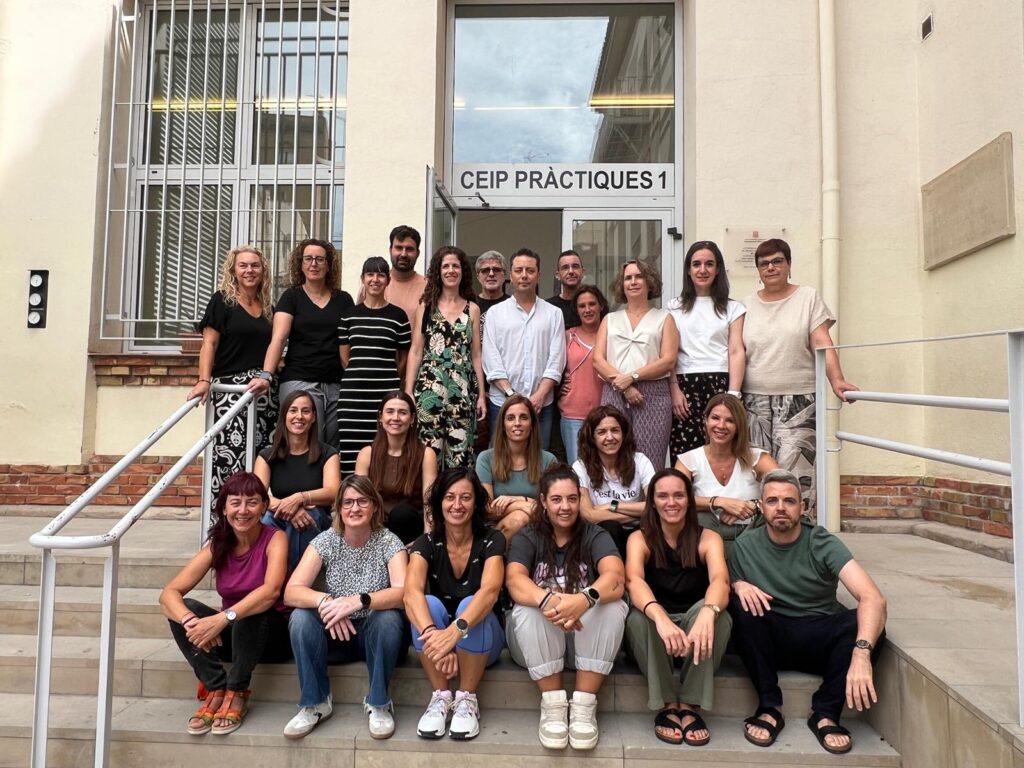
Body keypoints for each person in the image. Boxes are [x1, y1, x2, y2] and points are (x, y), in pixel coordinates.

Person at [728, 469, 886, 754]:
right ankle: (769, 707)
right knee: (739, 607)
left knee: (869, 625)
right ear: (761, 506)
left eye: (789, 501)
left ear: (802, 507)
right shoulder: (744, 546)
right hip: (771, 638)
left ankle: (826, 713)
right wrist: (738, 585)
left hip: (819, 636)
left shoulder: (822, 542)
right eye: (772, 501)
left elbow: (872, 597)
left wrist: (861, 654)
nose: (780, 508)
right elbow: (719, 583)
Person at [504, 464, 627, 751]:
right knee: (527, 608)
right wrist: (553, 602)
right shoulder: (529, 536)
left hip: (585, 640)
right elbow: (514, 580)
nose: (565, 507)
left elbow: (616, 578)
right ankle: (553, 706)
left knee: (611, 605)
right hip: (535, 643)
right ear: (543, 501)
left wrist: (583, 600)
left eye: (572, 499)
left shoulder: (594, 534)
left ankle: (584, 706)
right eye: (557, 499)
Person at [160, 472, 290, 736]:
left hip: (270, 636)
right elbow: (168, 594)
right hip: (232, 637)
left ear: (264, 507)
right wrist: (191, 622)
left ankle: (237, 690)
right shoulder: (218, 544)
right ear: (224, 508)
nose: (243, 510)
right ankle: (216, 687)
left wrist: (223, 618)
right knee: (184, 608)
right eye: (235, 503)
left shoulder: (274, 538)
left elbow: (271, 591)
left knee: (251, 609)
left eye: (252, 502)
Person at [283, 475, 409, 740]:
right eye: (348, 502)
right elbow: (291, 591)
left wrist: (359, 601)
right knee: (300, 617)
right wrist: (327, 603)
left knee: (388, 618)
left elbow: (403, 594)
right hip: (337, 633)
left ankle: (379, 703)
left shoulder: (389, 542)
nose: (355, 508)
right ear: (339, 508)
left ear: (374, 506)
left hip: (376, 635)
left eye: (362, 501)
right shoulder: (327, 541)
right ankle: (316, 703)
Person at [741, 238, 858, 509]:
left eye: (777, 261)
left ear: (789, 264)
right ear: (758, 270)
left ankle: (799, 530)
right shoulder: (745, 305)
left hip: (798, 402)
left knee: (794, 476)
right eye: (764, 264)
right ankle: (758, 531)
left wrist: (837, 380)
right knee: (756, 475)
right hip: (753, 403)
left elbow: (822, 343)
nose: (771, 268)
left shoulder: (807, 297)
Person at [624, 469, 732, 747]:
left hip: (694, 631)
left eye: (678, 495)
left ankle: (690, 704)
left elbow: (721, 581)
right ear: (652, 502)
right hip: (656, 636)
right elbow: (633, 581)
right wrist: (660, 617)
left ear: (689, 500)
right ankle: (667, 704)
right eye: (663, 496)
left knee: (719, 616)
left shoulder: (708, 538)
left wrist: (708, 612)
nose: (671, 503)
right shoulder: (640, 538)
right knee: (639, 617)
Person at [405, 468, 506, 741]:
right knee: (426, 603)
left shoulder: (492, 539)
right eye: (449, 497)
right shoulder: (426, 542)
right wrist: (435, 637)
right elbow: (410, 593)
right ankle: (441, 696)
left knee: (471, 604)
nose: (457, 505)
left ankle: (467, 698)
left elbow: (490, 591)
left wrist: (454, 632)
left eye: (466, 497)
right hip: (440, 647)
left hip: (484, 641)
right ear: (439, 502)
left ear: (476, 503)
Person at [188, 246, 279, 505]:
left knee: (261, 457)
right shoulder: (222, 301)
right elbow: (209, 343)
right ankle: (224, 518)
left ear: (263, 271)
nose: (250, 270)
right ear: (233, 271)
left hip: (263, 394)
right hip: (231, 391)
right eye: (243, 265)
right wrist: (204, 380)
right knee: (230, 457)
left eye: (255, 265)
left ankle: (257, 516)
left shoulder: (268, 307)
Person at [253, 238, 353, 448]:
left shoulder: (343, 300)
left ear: (329, 265)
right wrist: (266, 374)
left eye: (320, 259)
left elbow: (350, 342)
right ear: (300, 264)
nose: (313, 264)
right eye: (308, 259)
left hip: (336, 383)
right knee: (305, 443)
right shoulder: (291, 297)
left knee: (333, 445)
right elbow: (279, 339)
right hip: (299, 379)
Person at [407, 246, 487, 469]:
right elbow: (415, 350)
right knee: (428, 455)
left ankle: (456, 493)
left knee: (460, 456)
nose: (451, 270)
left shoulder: (472, 309)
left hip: (462, 391)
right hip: (429, 389)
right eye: (446, 266)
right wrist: (408, 390)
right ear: (438, 271)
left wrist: (481, 395)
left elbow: (476, 355)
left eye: (455, 266)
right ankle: (430, 494)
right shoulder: (426, 307)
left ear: (463, 271)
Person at [593, 260, 678, 469]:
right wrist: (625, 386)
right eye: (628, 278)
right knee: (613, 456)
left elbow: (668, 360)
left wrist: (632, 377)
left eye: (639, 276)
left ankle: (649, 492)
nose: (633, 282)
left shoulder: (665, 318)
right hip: (614, 391)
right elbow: (598, 360)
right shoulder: (610, 319)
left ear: (649, 282)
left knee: (650, 459)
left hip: (653, 395)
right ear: (621, 285)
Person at [667, 240, 746, 458]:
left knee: (723, 451)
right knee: (686, 454)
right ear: (688, 270)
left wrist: (733, 394)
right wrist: (674, 390)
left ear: (718, 269)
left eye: (709, 264)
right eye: (696, 264)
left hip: (721, 383)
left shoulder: (733, 308)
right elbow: (669, 353)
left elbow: (736, 350)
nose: (703, 270)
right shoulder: (673, 308)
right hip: (684, 386)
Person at [482, 248, 566, 449]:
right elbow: (491, 358)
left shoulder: (554, 314)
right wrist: (511, 394)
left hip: (541, 405)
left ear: (539, 275)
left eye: (530, 270)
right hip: (502, 403)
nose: (524, 275)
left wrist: (539, 395)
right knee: (501, 459)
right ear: (510, 275)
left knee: (539, 459)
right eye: (519, 270)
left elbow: (556, 359)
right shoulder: (495, 313)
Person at [336, 257, 412, 474]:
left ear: (388, 280)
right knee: (351, 451)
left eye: (380, 275)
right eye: (370, 274)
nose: (375, 280)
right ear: (363, 278)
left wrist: (388, 378)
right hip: (353, 398)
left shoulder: (398, 316)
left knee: (384, 447)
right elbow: (345, 357)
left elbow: (403, 359)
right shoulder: (348, 316)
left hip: (385, 396)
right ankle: (351, 493)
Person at [674, 394, 778, 552]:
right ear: (706, 420)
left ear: (739, 426)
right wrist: (719, 502)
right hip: (707, 537)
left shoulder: (757, 458)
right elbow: (674, 498)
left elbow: (787, 489)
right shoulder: (688, 459)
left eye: (730, 420)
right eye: (715, 418)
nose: (721, 425)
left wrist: (753, 506)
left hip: (751, 535)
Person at [254, 390, 341, 570]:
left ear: (314, 417)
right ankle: (271, 575)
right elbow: (257, 495)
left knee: (308, 518)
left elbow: (333, 492)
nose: (299, 416)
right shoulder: (267, 455)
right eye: (293, 410)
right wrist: (290, 509)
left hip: (317, 522)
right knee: (268, 518)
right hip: (280, 517)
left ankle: (292, 576)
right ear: (284, 416)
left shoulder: (328, 453)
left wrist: (301, 498)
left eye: (305, 411)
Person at [354, 391, 438, 544]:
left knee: (402, 513)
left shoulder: (426, 454)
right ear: (380, 417)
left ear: (412, 418)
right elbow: (359, 499)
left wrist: (427, 540)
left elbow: (429, 502)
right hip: (377, 529)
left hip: (410, 529)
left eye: (402, 412)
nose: (395, 418)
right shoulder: (367, 454)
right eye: (390, 412)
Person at [572, 405, 656, 556]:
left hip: (637, 532)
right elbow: (589, 515)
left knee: (646, 530)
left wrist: (612, 505)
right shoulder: (580, 467)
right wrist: (640, 515)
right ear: (592, 437)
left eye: (615, 430)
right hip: (601, 535)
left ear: (623, 433)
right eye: (602, 432)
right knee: (611, 527)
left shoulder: (640, 461)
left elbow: (655, 504)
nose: (610, 437)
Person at [475, 394, 557, 539]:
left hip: (539, 529)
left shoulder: (549, 460)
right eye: (510, 418)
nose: (517, 423)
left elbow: (552, 507)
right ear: (503, 425)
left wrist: (515, 499)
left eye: (524, 417)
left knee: (521, 518)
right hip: (495, 531)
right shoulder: (485, 458)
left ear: (532, 424)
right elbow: (487, 509)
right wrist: (527, 505)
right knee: (519, 519)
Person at [558, 285, 608, 465]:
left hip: (606, 412)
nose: (587, 309)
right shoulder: (567, 336)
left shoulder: (612, 334)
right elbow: (553, 366)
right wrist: (558, 386)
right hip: (573, 413)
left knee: (607, 467)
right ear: (576, 310)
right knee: (578, 468)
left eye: (592, 304)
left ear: (601, 306)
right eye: (582, 306)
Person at [378, 224, 427, 326]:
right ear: (390, 250)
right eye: (399, 248)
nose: (403, 254)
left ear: (418, 253)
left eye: (409, 249)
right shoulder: (374, 284)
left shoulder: (429, 287)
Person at [546, 249, 583, 329]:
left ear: (583, 272)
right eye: (565, 268)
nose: (571, 271)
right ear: (557, 275)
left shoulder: (593, 306)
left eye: (575, 266)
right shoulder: (547, 307)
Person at [474, 250, 509, 315]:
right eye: (485, 270)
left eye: (496, 270)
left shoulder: (514, 305)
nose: (491, 274)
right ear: (478, 276)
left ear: (505, 275)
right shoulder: (469, 305)